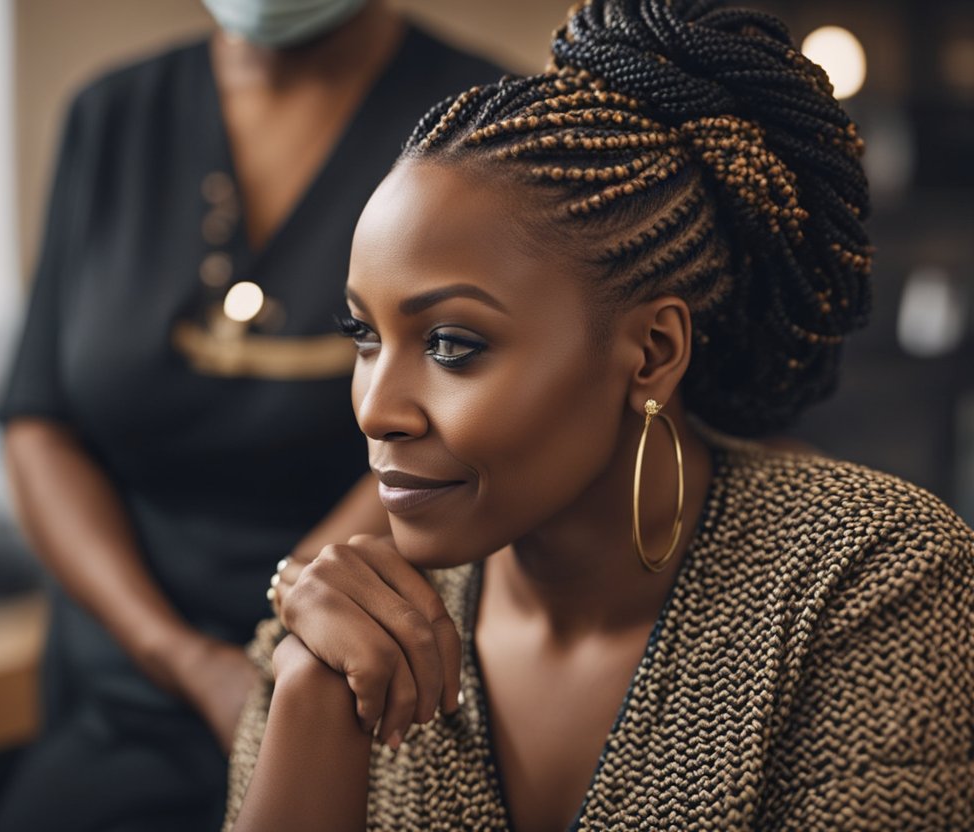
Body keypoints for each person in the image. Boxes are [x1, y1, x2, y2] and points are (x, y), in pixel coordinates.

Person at [223, 1, 974, 830]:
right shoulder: (336, 626)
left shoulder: (868, 582)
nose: (377, 409)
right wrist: (309, 705)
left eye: (451, 344)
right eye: (364, 335)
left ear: (652, 352)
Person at [0, 1, 504, 830]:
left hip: (368, 668)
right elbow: (39, 422)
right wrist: (181, 658)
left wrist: (293, 621)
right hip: (129, 681)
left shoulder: (481, 123)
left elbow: (482, 409)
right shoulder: (113, 117)